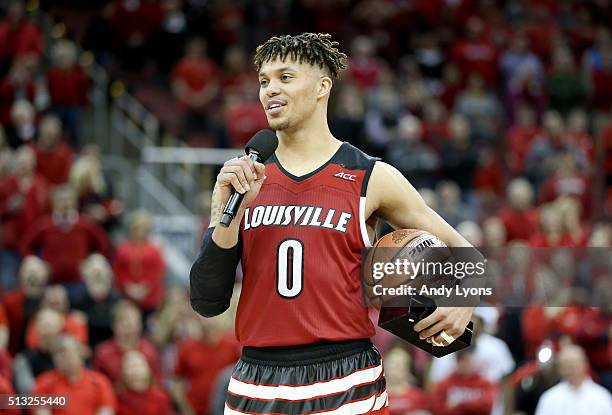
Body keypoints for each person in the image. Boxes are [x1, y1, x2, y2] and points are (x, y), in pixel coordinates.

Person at [190, 32, 479, 415]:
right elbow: (207, 301)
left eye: (285, 77)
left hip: (346, 378)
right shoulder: (245, 177)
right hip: (256, 380)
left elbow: (467, 254)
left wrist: (465, 297)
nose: (270, 90)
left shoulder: (370, 176)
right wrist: (226, 218)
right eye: (264, 81)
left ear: (323, 86)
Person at [535, 344, 612, 415]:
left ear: (584, 364)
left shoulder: (601, 396)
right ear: (560, 368)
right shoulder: (549, 398)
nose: (571, 369)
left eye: (574, 364)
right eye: (566, 365)